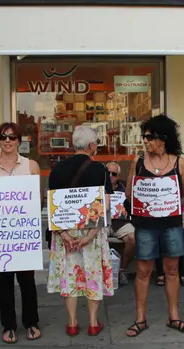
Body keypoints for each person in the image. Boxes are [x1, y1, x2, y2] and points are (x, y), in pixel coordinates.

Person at [125, 115, 184, 337]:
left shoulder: (178, 162)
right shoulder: (138, 162)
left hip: (171, 224)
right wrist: (147, 206)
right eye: (144, 137)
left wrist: (167, 206)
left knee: (171, 270)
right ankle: (140, 319)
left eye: (149, 137)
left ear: (163, 138)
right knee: (143, 270)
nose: (145, 141)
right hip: (145, 225)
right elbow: (129, 193)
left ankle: (174, 316)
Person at [47, 126, 114, 337]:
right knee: (92, 273)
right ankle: (94, 323)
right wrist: (89, 236)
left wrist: (65, 235)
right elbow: (105, 204)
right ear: (92, 146)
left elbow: (52, 207)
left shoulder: (57, 170)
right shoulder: (99, 169)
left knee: (70, 275)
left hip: (65, 232)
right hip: (91, 230)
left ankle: (73, 322)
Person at [0, 123, 42, 343]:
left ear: (19, 141)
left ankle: (31, 322)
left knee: (27, 281)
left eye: (12, 137)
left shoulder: (31, 165)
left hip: (23, 234)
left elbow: (37, 199)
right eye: (3, 137)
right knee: (4, 282)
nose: (8, 141)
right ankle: (8, 326)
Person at [106, 162, 136, 286]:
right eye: (108, 173)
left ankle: (123, 269)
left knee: (133, 238)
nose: (111, 176)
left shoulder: (125, 188)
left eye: (114, 174)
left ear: (118, 175)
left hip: (121, 222)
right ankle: (103, 271)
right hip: (104, 223)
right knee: (95, 238)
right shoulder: (98, 187)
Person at [155, 202, 184, 287]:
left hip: (181, 221)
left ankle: (183, 274)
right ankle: (160, 274)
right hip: (162, 220)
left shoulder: (181, 193)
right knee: (159, 239)